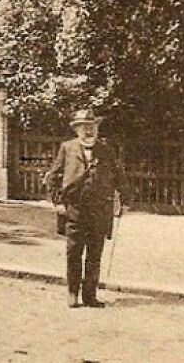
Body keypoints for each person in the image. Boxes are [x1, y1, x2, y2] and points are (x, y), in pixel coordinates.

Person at [45, 108, 124, 308]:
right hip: (74, 210)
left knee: (94, 255)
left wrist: (124, 200)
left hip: (100, 211)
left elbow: (119, 176)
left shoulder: (106, 149)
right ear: (77, 130)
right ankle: (72, 293)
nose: (89, 131)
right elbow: (52, 178)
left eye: (92, 127)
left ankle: (90, 296)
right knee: (74, 253)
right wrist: (58, 203)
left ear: (97, 128)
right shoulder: (67, 148)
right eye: (84, 128)